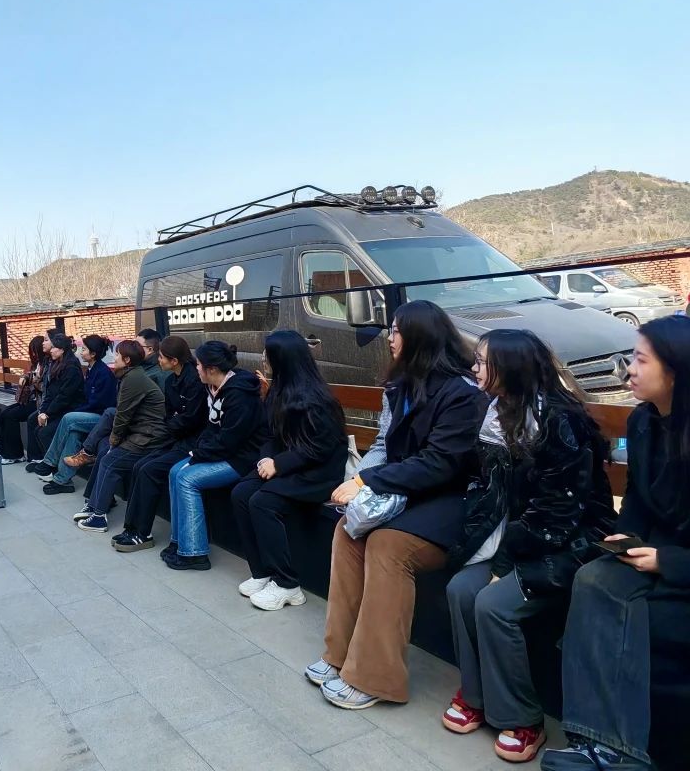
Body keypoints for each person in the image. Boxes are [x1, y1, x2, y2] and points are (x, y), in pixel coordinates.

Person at [542, 315, 690, 771]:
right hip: (654, 553)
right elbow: (636, 496)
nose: (627, 370)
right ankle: (600, 744)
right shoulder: (643, 422)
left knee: (625, 615)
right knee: (592, 578)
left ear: (677, 370)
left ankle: (613, 749)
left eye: (640, 359)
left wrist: (667, 561)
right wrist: (625, 537)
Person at [444, 330, 616, 764]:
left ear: (510, 368)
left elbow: (558, 512)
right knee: (460, 589)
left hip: (571, 542)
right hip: (520, 535)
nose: (473, 369)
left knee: (493, 604)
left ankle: (523, 717)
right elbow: (490, 490)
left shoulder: (559, 421)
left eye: (482, 362)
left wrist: (502, 563)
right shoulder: (496, 411)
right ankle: (477, 695)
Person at [307, 300, 486, 710]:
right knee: (348, 530)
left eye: (397, 331)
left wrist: (364, 481)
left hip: (454, 500)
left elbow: (441, 464)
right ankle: (339, 655)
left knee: (388, 545)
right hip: (409, 494)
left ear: (421, 337)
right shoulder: (402, 385)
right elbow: (386, 448)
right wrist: (359, 485)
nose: (389, 338)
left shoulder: (461, 394)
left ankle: (377, 677)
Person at [232, 329, 347, 610]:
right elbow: (269, 435)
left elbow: (320, 449)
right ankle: (261, 572)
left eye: (267, 354)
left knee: (262, 501)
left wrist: (279, 464)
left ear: (282, 359)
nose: (263, 358)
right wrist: (266, 460)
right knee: (241, 493)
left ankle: (287, 584)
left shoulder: (317, 399)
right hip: (290, 467)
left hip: (319, 474)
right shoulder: (278, 390)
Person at [163, 341, 266, 571]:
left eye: (199, 365)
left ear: (211, 369)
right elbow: (212, 430)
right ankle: (179, 541)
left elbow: (231, 440)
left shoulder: (239, 394)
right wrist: (198, 451)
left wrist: (198, 454)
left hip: (243, 458)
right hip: (223, 452)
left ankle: (194, 553)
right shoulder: (213, 388)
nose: (196, 368)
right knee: (175, 471)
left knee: (186, 479)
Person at [113, 335, 208, 551]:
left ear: (174, 360)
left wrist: (175, 421)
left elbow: (192, 419)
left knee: (150, 470)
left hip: (192, 444)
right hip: (175, 438)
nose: (158, 360)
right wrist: (175, 421)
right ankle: (131, 528)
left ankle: (143, 533)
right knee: (139, 466)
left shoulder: (194, 381)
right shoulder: (172, 381)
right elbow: (170, 415)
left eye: (162, 357)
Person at [74, 340, 170, 532]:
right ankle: (94, 506)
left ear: (127, 360)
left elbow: (123, 416)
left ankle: (99, 518)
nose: (114, 357)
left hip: (148, 438)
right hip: (139, 432)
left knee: (109, 460)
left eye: (118, 354)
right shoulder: (131, 375)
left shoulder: (134, 379)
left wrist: (114, 442)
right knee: (105, 452)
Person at [73, 328, 170, 484]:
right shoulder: (133, 371)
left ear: (150, 350)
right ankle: (79, 467)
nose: (134, 347)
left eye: (137, 345)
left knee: (74, 422)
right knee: (97, 439)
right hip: (130, 423)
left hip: (143, 430)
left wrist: (115, 439)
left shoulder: (145, 374)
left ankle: (77, 463)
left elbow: (127, 412)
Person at [32, 334, 117, 493]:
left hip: (102, 418)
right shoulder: (92, 370)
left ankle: (50, 461)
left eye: (84, 349)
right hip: (90, 414)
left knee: (69, 418)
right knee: (73, 434)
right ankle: (62, 480)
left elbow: (98, 404)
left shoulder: (103, 373)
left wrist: (77, 411)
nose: (80, 352)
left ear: (93, 354)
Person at [0, 335, 49, 465]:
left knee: (11, 415)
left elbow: (45, 387)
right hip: (32, 400)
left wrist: (34, 381)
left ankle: (14, 455)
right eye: (32, 351)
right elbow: (29, 375)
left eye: (35, 350)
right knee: (5, 413)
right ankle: (9, 453)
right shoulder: (36, 364)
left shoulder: (47, 364)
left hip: (41, 403)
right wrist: (26, 377)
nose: (33, 354)